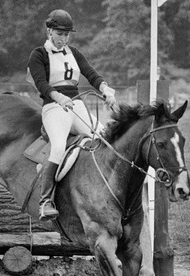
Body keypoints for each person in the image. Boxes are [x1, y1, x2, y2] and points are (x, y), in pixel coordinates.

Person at [27, 9, 117, 221]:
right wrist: (58, 97)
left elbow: (91, 73)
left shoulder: (74, 52)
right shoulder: (39, 54)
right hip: (53, 107)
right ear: (49, 31)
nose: (63, 39)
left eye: (67, 34)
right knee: (58, 147)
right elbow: (41, 83)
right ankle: (45, 201)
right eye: (60, 34)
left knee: (103, 137)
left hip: (76, 105)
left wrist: (105, 89)